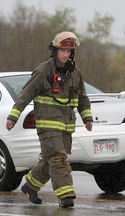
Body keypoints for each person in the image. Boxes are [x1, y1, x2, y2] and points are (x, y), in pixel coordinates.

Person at [6, 31, 93, 208]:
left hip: (66, 127)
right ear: (55, 50)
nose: (66, 54)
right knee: (59, 159)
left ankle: (30, 185)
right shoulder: (43, 71)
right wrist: (13, 117)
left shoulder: (75, 73)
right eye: (62, 50)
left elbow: (83, 98)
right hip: (47, 127)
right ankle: (66, 196)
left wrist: (87, 118)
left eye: (69, 52)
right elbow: (25, 95)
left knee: (49, 162)